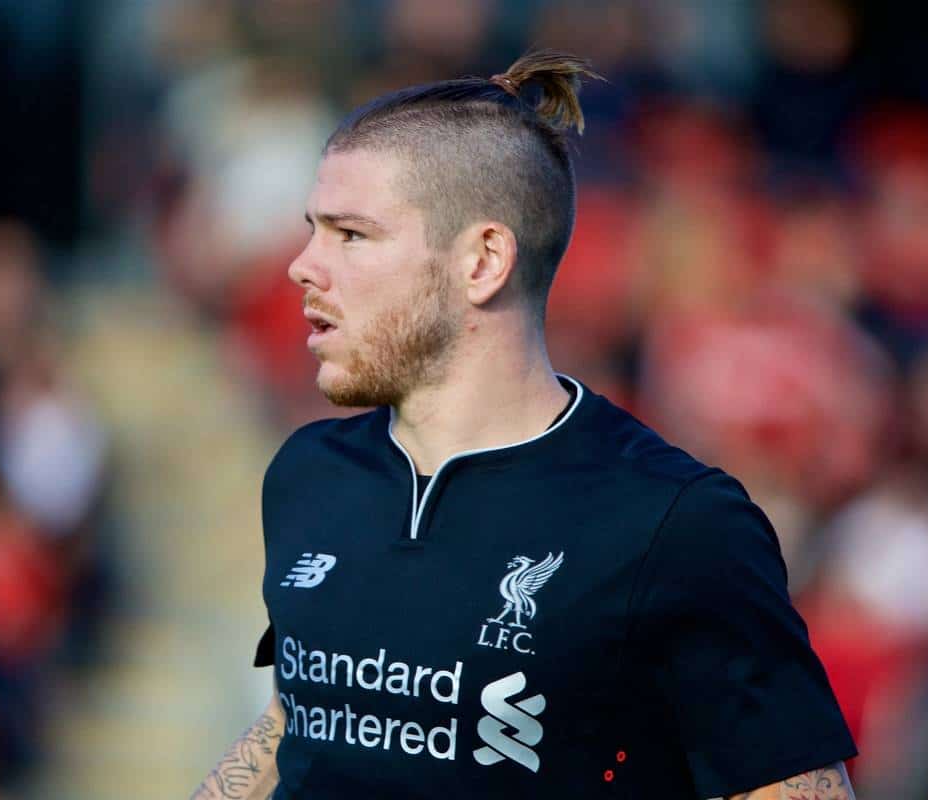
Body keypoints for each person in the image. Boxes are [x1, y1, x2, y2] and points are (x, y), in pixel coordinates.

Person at [192, 50, 858, 800]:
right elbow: (301, 722)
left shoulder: (673, 522)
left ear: (482, 260)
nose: (302, 266)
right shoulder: (308, 473)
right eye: (312, 229)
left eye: (350, 235)